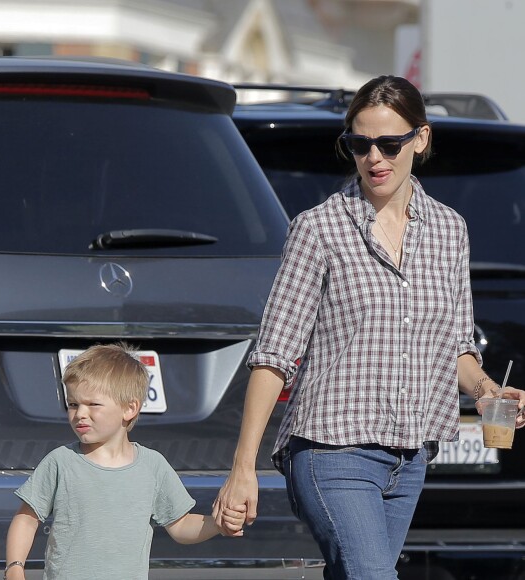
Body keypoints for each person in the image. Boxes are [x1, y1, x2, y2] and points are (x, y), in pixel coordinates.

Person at [212, 75, 525, 580]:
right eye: (359, 145)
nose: (374, 158)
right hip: (331, 450)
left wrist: (490, 389)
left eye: (389, 143)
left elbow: (456, 348)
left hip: (411, 456)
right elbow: (274, 355)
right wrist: (242, 468)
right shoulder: (318, 229)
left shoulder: (450, 231)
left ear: (420, 140)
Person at [4, 343, 245, 580]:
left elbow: (180, 525)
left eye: (93, 404)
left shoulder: (152, 466)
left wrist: (217, 524)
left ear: (129, 409)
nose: (80, 414)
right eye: (73, 404)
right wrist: (15, 568)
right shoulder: (61, 462)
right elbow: (26, 519)